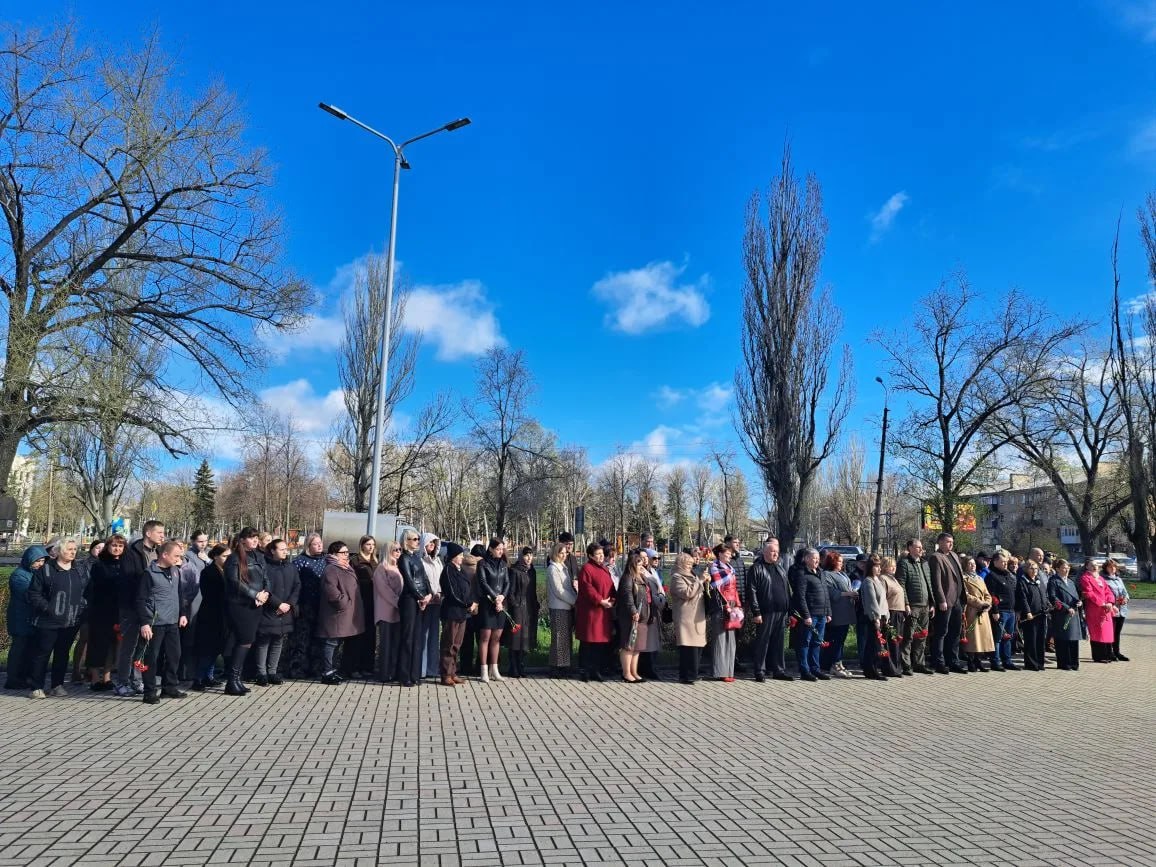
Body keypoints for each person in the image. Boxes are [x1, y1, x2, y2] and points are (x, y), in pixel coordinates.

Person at [25, 540, 87, 698]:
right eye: (69, 549)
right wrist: (48, 608)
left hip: (70, 621)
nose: (73, 552)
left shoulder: (78, 570)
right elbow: (34, 594)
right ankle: (36, 686)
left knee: (62, 653)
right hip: (48, 620)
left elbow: (86, 591)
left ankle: (57, 685)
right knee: (43, 653)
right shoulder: (46, 570)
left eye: (74, 549)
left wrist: (82, 606)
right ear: (59, 551)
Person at [134, 541, 190, 704]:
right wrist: (144, 622)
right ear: (164, 555)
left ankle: (169, 687)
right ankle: (149, 691)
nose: (179, 559)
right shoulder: (149, 573)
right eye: (176, 556)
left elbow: (179, 594)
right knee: (152, 658)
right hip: (154, 623)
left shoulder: (175, 571)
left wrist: (182, 613)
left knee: (174, 656)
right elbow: (141, 599)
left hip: (172, 622)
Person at [115, 520, 165, 696]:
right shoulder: (132, 553)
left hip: (151, 607)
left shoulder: (159, 552)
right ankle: (121, 682)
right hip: (131, 606)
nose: (162, 536)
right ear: (148, 533)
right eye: (159, 532)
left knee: (143, 647)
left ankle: (137, 680)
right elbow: (129, 580)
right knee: (128, 646)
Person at [223, 528, 270, 695]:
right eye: (251, 538)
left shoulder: (258, 556)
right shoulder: (234, 558)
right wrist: (254, 594)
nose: (255, 540)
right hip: (240, 605)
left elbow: (265, 577)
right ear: (242, 540)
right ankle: (232, 680)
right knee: (244, 640)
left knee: (246, 641)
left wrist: (265, 593)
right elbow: (235, 582)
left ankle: (236, 679)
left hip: (256, 604)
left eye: (257, 537)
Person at [317, 541, 365, 684]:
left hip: (347, 613)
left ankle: (334, 670)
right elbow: (331, 591)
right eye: (343, 553)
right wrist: (344, 603)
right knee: (331, 642)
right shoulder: (331, 569)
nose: (346, 555)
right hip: (336, 613)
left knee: (337, 643)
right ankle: (327, 672)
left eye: (347, 552)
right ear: (333, 554)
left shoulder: (345, 567)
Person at [253, 539, 300, 686]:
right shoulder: (264, 566)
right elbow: (264, 588)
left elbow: (297, 586)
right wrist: (278, 603)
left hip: (285, 610)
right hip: (269, 609)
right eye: (282, 549)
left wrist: (289, 604)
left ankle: (272, 671)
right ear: (272, 550)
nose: (285, 552)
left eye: (286, 549)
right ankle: (261, 673)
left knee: (278, 641)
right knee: (264, 641)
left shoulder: (290, 567)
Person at [746, 539, 793, 682]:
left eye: (777, 552)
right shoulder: (757, 568)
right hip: (766, 611)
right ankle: (760, 670)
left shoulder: (780, 568)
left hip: (781, 611)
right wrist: (756, 612)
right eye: (773, 551)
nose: (775, 554)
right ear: (765, 552)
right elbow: (752, 591)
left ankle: (778, 669)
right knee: (763, 642)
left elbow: (786, 588)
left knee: (778, 642)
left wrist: (789, 609)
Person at [3, 544, 47, 690]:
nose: (40, 564)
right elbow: (30, 594)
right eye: (37, 561)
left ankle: (24, 676)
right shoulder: (19, 575)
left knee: (29, 649)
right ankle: (13, 678)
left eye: (42, 561)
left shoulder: (35, 574)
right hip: (20, 617)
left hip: (31, 617)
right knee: (19, 648)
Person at [85, 535, 125, 691]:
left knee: (112, 645)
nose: (117, 549)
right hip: (101, 610)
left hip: (118, 610)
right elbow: (97, 587)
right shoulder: (99, 565)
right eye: (114, 545)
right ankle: (95, 678)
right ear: (108, 546)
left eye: (120, 546)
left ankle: (107, 677)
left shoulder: (124, 564)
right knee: (98, 644)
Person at [191, 544, 230, 691]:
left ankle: (209, 676)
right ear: (215, 556)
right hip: (210, 614)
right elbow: (211, 594)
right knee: (207, 648)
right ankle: (199, 678)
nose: (227, 559)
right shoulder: (209, 572)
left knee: (216, 648)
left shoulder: (226, 571)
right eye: (224, 556)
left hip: (222, 615)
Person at [287, 533, 326, 679]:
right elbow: (293, 584)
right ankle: (297, 669)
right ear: (308, 546)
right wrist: (294, 604)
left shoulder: (325, 560)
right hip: (304, 605)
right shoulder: (300, 561)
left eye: (320, 543)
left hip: (321, 606)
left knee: (318, 639)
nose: (319, 546)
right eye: (315, 543)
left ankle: (316, 669)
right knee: (301, 639)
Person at [397, 530, 432, 687]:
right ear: (406, 541)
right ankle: (405, 675)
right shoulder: (404, 558)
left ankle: (415, 674)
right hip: (410, 600)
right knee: (408, 638)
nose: (418, 541)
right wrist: (420, 597)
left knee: (417, 638)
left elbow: (424, 578)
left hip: (421, 600)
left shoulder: (416, 558)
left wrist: (429, 594)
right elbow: (409, 580)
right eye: (414, 539)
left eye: (418, 539)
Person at [575, 542, 614, 682]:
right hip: (591, 613)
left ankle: (595, 670)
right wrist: (600, 600)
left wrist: (613, 599)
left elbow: (610, 585)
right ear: (590, 555)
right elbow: (587, 588)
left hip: (603, 612)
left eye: (602, 554)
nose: (601, 557)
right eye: (597, 554)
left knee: (599, 643)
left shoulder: (604, 569)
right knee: (588, 643)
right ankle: (584, 670)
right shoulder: (586, 568)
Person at [928, 532, 966, 675]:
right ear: (940, 542)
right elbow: (936, 582)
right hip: (946, 601)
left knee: (955, 632)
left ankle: (953, 661)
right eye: (948, 541)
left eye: (952, 541)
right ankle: (939, 662)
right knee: (941, 632)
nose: (951, 544)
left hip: (957, 600)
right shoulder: (936, 557)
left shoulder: (955, 556)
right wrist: (941, 600)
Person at [438, 542, 476, 685]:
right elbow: (453, 593)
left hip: (463, 613)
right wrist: (467, 603)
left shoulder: (461, 570)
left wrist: (472, 602)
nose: (462, 557)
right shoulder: (448, 570)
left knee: (457, 644)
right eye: (459, 555)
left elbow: (468, 589)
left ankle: (453, 672)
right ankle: (445, 674)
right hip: (452, 612)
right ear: (453, 556)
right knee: (448, 643)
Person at [791, 548, 830, 682]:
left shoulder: (821, 573)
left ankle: (815, 669)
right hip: (810, 615)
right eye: (814, 558)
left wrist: (828, 612)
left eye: (818, 558)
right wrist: (806, 615)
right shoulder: (802, 574)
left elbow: (826, 593)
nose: (817, 561)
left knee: (817, 642)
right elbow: (800, 596)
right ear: (806, 559)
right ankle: (805, 670)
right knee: (805, 642)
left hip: (822, 614)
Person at [475, 537, 510, 684]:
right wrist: (495, 597)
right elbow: (483, 582)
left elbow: (507, 582)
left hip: (500, 605)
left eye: (502, 549)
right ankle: (483, 670)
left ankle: (494, 669)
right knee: (485, 638)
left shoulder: (503, 564)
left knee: (496, 639)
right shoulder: (482, 563)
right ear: (491, 549)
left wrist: (502, 596)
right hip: (487, 604)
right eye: (498, 549)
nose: (501, 552)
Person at [897, 539, 933, 675]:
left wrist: (932, 603)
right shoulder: (904, 563)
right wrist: (906, 603)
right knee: (908, 636)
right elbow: (902, 585)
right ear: (910, 548)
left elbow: (929, 584)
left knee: (922, 636)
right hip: (913, 606)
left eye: (921, 547)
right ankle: (906, 664)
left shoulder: (924, 563)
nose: (921, 549)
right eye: (918, 547)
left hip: (925, 605)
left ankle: (919, 663)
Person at [669, 552, 706, 684]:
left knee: (697, 646)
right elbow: (686, 593)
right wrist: (700, 581)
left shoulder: (693, 575)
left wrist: (705, 582)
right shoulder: (676, 577)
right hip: (685, 617)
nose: (691, 565)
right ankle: (686, 675)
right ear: (681, 563)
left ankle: (694, 673)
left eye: (691, 563)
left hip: (697, 615)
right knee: (688, 647)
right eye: (688, 563)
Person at [708, 543, 743, 682]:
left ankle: (729, 670)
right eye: (727, 553)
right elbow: (716, 590)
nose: (730, 555)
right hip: (720, 606)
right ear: (720, 554)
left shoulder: (730, 569)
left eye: (730, 553)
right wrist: (726, 606)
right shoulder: (714, 569)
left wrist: (737, 605)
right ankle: (719, 671)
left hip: (732, 604)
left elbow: (734, 590)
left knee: (731, 639)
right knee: (721, 639)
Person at [819, 551, 856, 678]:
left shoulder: (842, 574)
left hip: (846, 611)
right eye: (839, 561)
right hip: (836, 612)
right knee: (835, 640)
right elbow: (830, 592)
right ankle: (833, 664)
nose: (841, 564)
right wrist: (847, 594)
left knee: (841, 640)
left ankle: (839, 663)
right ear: (832, 562)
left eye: (842, 561)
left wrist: (853, 593)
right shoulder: (826, 575)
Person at [346, 535, 378, 679]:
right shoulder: (355, 561)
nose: (371, 547)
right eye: (368, 544)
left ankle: (368, 666)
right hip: (360, 602)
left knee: (370, 636)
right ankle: (354, 667)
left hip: (373, 603)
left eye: (373, 544)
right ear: (362, 545)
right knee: (357, 636)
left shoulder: (375, 561)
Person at [372, 540, 404, 683]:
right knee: (386, 644)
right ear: (388, 551)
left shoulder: (398, 567)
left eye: (399, 550)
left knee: (396, 643)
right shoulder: (381, 568)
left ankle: (394, 671)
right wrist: (399, 603)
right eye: (395, 550)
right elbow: (384, 590)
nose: (398, 552)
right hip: (386, 611)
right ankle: (384, 673)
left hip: (398, 612)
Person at [545, 541, 577, 677]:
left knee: (565, 638)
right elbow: (559, 590)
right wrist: (575, 601)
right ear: (555, 553)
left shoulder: (562, 567)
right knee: (559, 638)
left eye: (565, 553)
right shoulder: (553, 568)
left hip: (566, 607)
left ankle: (564, 665)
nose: (564, 555)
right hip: (559, 607)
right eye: (561, 553)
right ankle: (556, 667)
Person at [984, 550, 1019, 672]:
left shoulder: (1008, 575)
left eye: (1006, 562)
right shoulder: (992, 576)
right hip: (1000, 611)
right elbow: (991, 595)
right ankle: (995, 661)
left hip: (1011, 611)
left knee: (1008, 637)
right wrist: (995, 611)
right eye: (1002, 562)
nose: (1005, 564)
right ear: (995, 562)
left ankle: (1007, 660)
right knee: (998, 637)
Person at [858, 555, 890, 680]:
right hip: (872, 618)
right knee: (873, 645)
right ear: (870, 568)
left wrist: (886, 614)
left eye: (879, 566)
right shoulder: (868, 581)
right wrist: (876, 618)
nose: (878, 569)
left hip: (882, 616)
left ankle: (874, 668)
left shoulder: (878, 580)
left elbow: (883, 599)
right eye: (876, 566)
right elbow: (871, 601)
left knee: (877, 645)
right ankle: (871, 670)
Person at [1047, 559, 1083, 671]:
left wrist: (1079, 602)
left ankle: (1074, 662)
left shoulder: (1071, 582)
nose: (1066, 569)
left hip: (1074, 614)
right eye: (1064, 567)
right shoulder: (1053, 581)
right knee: (1063, 639)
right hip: (1062, 614)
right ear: (1057, 569)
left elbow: (1076, 596)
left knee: (1073, 639)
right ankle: (1064, 663)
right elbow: (1053, 598)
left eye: (1067, 567)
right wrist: (1066, 608)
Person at [504, 546, 534, 678]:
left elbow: (532, 592)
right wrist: (515, 606)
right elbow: (511, 592)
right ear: (521, 556)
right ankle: (513, 666)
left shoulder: (531, 571)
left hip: (528, 608)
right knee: (515, 638)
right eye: (526, 555)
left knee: (525, 639)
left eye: (531, 555)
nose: (529, 558)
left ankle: (521, 664)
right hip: (517, 607)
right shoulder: (515, 571)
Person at [1080, 559, 1117, 664]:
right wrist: (1102, 603)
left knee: (1107, 633)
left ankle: (1108, 654)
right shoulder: (1085, 578)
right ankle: (1099, 656)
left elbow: (1108, 591)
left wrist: (1110, 602)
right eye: (1092, 565)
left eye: (1096, 565)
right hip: (1095, 609)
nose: (1095, 567)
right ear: (1087, 567)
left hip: (1106, 610)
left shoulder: (1101, 578)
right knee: (1097, 633)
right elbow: (1089, 593)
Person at [961, 555, 994, 672]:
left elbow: (987, 593)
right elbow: (966, 595)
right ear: (965, 565)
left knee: (982, 638)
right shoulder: (963, 578)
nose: (972, 565)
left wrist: (988, 603)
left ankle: (979, 661)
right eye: (970, 564)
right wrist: (980, 603)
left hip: (983, 611)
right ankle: (971, 662)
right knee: (973, 638)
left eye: (974, 563)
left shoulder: (980, 578)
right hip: (972, 610)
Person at [418, 533, 444, 679]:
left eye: (434, 543)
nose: (432, 546)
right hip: (425, 602)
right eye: (429, 543)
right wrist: (427, 595)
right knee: (423, 636)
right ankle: (421, 668)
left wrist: (440, 593)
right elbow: (421, 580)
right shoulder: (420, 561)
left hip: (437, 602)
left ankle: (432, 669)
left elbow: (440, 580)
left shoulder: (438, 561)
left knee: (434, 636)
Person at [638, 548, 666, 680]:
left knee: (652, 640)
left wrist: (661, 598)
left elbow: (659, 587)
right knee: (645, 642)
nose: (644, 559)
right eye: (642, 557)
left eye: (645, 557)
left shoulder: (652, 571)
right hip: (646, 609)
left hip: (655, 609)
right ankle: (646, 668)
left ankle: (651, 667)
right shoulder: (639, 572)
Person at [1017, 559, 1049, 671]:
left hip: (1041, 614)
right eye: (1031, 568)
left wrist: (1048, 606)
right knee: (1031, 640)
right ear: (1026, 569)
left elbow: (1044, 595)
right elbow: (1023, 598)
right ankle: (1031, 664)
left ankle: (1040, 662)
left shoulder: (1039, 580)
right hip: (1031, 616)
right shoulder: (1023, 581)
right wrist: (1027, 612)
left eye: (1036, 568)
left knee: (1040, 639)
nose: (1034, 570)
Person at [879, 556, 908, 676]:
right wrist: (886, 615)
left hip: (899, 612)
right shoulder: (883, 578)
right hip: (891, 612)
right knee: (891, 641)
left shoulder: (894, 579)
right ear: (885, 566)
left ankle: (897, 666)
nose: (894, 568)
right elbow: (883, 597)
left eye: (895, 565)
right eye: (891, 565)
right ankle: (890, 668)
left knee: (897, 641)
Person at [1102, 560, 1131, 662]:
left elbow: (1125, 592)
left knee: (1117, 632)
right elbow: (1105, 595)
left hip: (1122, 609)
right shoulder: (1103, 580)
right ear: (1106, 568)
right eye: (1110, 567)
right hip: (1112, 609)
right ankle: (1109, 653)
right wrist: (1113, 603)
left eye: (1114, 567)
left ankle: (1117, 652)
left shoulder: (1118, 579)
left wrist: (1126, 598)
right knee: (1111, 632)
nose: (1113, 569)